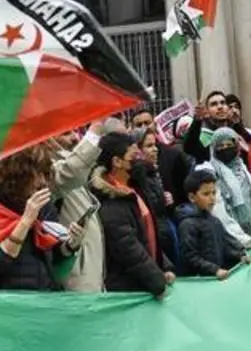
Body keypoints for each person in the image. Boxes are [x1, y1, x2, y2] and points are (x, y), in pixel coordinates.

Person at [0, 147, 82, 291]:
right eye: (37, 174)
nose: (42, 182)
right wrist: (25, 222)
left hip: (43, 302)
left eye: (45, 174)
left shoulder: (38, 205)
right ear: (16, 176)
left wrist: (70, 245)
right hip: (8, 307)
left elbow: (50, 260)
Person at [91, 132, 174, 298]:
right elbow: (130, 250)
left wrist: (164, 266)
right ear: (117, 162)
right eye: (133, 155)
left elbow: (147, 235)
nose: (139, 159)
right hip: (129, 289)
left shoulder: (133, 190)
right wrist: (157, 281)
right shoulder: (111, 203)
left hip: (144, 283)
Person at [50, 121, 109, 293]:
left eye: (75, 132)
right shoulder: (48, 171)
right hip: (74, 281)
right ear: (46, 140)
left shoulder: (65, 162)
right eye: (66, 133)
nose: (75, 137)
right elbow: (71, 171)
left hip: (91, 278)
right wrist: (95, 130)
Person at [205, 127, 251, 247]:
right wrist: (244, 240)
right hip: (236, 244)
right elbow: (221, 216)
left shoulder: (243, 169)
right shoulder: (213, 176)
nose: (225, 148)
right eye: (220, 146)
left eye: (229, 144)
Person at [176, 169, 250, 280]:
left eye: (214, 193)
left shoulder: (214, 220)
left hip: (218, 277)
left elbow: (226, 245)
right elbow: (190, 257)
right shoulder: (187, 225)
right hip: (202, 282)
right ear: (192, 197)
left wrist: (240, 255)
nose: (212, 198)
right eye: (206, 194)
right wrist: (214, 270)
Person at [131, 127, 178, 268]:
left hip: (164, 231)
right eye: (149, 146)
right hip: (155, 238)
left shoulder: (152, 171)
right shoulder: (139, 175)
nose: (155, 149)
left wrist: (168, 199)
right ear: (137, 150)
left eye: (155, 145)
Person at [183, 91, 235, 163]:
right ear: (207, 112)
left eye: (223, 103)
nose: (220, 107)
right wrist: (197, 121)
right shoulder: (204, 138)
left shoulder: (237, 134)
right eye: (214, 104)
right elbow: (190, 147)